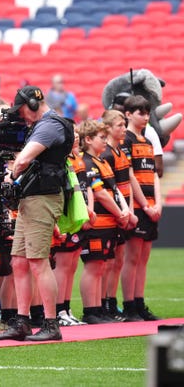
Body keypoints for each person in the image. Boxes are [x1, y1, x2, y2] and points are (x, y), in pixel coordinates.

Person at [0, 85, 73, 342]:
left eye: (22, 110)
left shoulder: (50, 125)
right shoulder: (44, 125)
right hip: (32, 196)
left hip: (42, 197)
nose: (22, 116)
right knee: (19, 260)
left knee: (37, 261)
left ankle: (50, 323)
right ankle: (22, 321)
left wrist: (10, 175)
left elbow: (24, 159)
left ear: (33, 104)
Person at [77, 119, 129, 324]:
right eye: (102, 138)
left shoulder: (102, 161)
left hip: (109, 223)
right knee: (93, 266)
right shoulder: (87, 162)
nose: (106, 142)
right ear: (88, 140)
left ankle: (100, 309)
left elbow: (113, 190)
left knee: (102, 266)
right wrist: (120, 213)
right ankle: (91, 310)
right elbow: (100, 194)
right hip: (96, 224)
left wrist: (123, 212)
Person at [120, 95, 162, 321]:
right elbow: (129, 175)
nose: (145, 117)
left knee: (143, 258)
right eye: (140, 113)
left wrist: (158, 203)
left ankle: (139, 302)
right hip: (137, 206)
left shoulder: (147, 142)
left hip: (151, 207)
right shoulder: (126, 140)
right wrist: (145, 205)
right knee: (132, 257)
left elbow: (154, 174)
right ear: (128, 114)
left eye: (147, 113)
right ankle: (129, 306)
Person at [101, 110, 138, 322]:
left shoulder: (121, 151)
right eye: (119, 126)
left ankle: (111, 302)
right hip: (112, 214)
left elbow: (127, 185)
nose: (124, 129)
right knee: (107, 261)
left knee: (118, 260)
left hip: (123, 211)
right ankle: (103, 304)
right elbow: (109, 189)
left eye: (124, 125)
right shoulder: (106, 154)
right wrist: (122, 212)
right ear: (108, 129)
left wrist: (130, 210)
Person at [53, 122, 91, 326]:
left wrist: (87, 209)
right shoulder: (61, 161)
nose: (76, 136)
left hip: (78, 218)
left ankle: (66, 308)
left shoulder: (78, 159)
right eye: (71, 133)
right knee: (63, 265)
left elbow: (83, 189)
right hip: (67, 219)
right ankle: (58, 311)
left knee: (72, 265)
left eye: (76, 132)